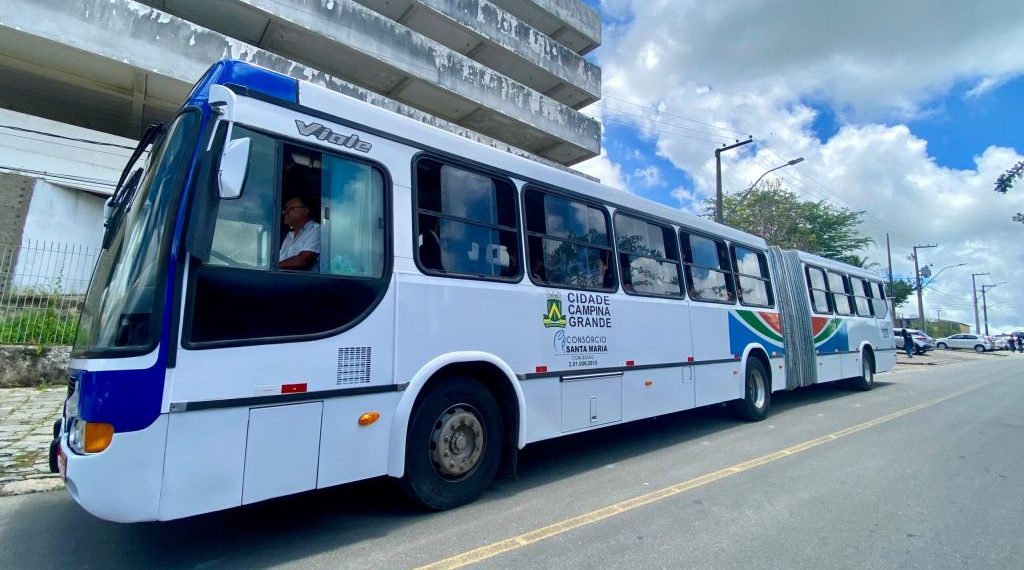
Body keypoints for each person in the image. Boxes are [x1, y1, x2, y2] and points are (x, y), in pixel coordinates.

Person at [279, 196, 320, 271]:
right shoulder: (289, 236)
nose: (285, 213)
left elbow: (303, 260)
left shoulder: (315, 230)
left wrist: (274, 267)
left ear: (306, 211)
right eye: (285, 209)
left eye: (290, 209)